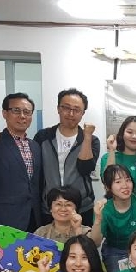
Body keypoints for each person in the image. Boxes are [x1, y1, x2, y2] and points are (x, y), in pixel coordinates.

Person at [0, 92, 42, 239]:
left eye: (27, 112)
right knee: (5, 263)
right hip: (4, 221)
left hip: (33, 219)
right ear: (5, 113)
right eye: (16, 110)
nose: (22, 116)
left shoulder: (35, 146)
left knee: (30, 262)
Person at [35, 88, 99, 227]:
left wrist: (87, 137)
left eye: (76, 110)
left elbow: (85, 169)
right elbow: (37, 172)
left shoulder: (91, 140)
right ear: (58, 109)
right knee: (50, 248)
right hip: (50, 208)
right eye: (66, 108)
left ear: (83, 113)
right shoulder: (43, 137)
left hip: (81, 207)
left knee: (81, 247)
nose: (71, 114)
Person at [90, 164, 136, 272]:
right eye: (118, 182)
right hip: (116, 251)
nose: (125, 185)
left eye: (128, 180)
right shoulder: (104, 209)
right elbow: (95, 242)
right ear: (108, 187)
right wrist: (98, 219)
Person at [100, 115, 136, 195]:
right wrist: (112, 150)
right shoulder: (108, 157)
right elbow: (107, 182)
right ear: (122, 134)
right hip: (115, 206)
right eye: (129, 132)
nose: (134, 136)